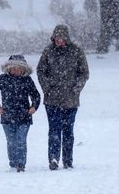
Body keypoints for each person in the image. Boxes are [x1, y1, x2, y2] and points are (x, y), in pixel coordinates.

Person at [37, 24, 89, 170]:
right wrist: (47, 87)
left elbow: (84, 73)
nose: (59, 41)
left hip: (71, 100)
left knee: (68, 132)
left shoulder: (77, 51)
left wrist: (76, 89)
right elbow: (41, 71)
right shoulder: (48, 51)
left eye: (61, 38)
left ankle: (68, 160)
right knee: (54, 131)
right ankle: (53, 159)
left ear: (66, 38)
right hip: (52, 99)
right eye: (56, 38)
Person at [0, 54, 41, 172]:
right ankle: (13, 163)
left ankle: (21, 164)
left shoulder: (27, 80)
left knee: (21, 140)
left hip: (24, 117)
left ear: (23, 69)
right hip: (7, 117)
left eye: (18, 68)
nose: (15, 70)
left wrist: (34, 107)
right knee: (11, 141)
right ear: (8, 68)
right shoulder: (3, 79)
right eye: (13, 68)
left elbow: (36, 96)